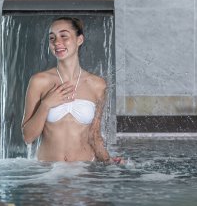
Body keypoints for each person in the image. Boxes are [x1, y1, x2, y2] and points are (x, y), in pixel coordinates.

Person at [21, 16, 122, 164]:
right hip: (48, 172)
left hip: (83, 171)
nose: (57, 42)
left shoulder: (97, 85)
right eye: (52, 38)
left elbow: (94, 135)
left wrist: (108, 161)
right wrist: (46, 104)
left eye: (64, 36)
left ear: (79, 39)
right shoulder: (39, 82)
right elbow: (28, 137)